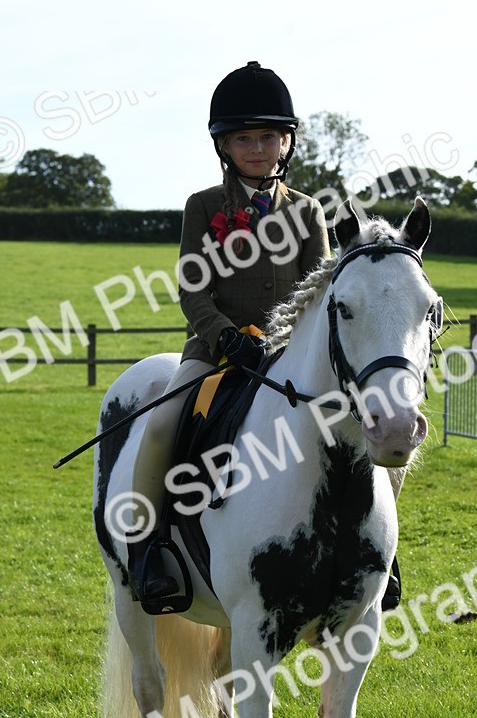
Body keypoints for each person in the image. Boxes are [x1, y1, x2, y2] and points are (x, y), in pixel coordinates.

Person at [127, 61, 331, 605]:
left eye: (268, 137)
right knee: (160, 427)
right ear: (223, 144)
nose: (257, 148)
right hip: (217, 352)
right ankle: (145, 549)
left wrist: (288, 341)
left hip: (290, 354)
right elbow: (192, 290)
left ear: (286, 142)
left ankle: (378, 554)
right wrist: (226, 337)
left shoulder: (308, 211)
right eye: (244, 138)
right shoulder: (203, 207)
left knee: (363, 425)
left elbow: (321, 293)